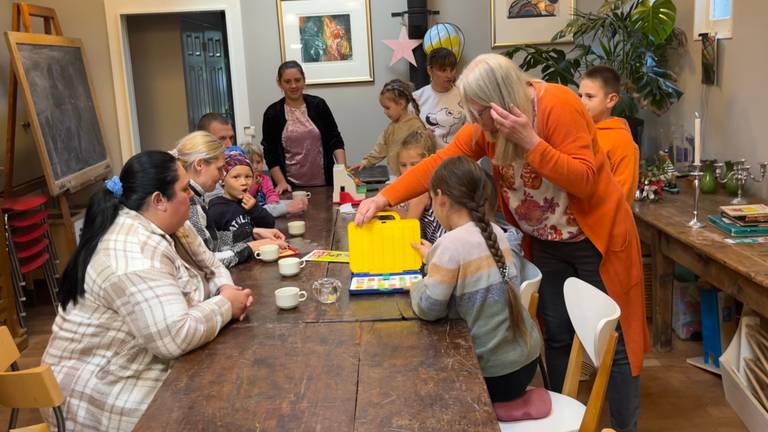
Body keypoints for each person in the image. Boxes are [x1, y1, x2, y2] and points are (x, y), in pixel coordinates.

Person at [355, 53, 648, 432]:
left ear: (502, 100)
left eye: (479, 113)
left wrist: (530, 142)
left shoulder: (557, 104)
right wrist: (384, 197)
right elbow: (443, 161)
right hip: (546, 240)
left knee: (616, 341)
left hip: (596, 238)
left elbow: (586, 180)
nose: (475, 123)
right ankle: (567, 416)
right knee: (557, 336)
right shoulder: (487, 125)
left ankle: (626, 427)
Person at [41, 151, 254, 431]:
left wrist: (225, 287)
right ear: (158, 200)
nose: (191, 194)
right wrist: (226, 304)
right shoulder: (132, 252)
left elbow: (211, 264)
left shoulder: (169, 224)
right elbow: (174, 336)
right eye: (183, 188)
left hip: (135, 368)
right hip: (100, 391)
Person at [410, 156, 541, 403]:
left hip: (491, 376)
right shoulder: (496, 234)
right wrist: (433, 260)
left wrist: (416, 286)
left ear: (440, 198)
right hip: (525, 365)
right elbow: (501, 278)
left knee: (425, 387)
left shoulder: (449, 245)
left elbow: (429, 307)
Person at [174, 132, 286, 268]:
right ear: (200, 165)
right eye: (220, 169)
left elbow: (213, 240)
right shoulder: (189, 200)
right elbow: (206, 261)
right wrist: (250, 248)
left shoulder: (198, 196)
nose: (222, 176)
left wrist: (252, 233)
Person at [262, 60, 347, 194]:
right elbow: (270, 153)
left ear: (304, 80)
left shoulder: (319, 105)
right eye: (287, 81)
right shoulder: (272, 113)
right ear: (280, 83)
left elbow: (335, 140)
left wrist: (343, 174)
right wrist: (281, 182)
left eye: (297, 80)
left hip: (326, 184)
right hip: (290, 188)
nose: (293, 85)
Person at [578, 65, 640, 204]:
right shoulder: (579, 130)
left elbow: (622, 197)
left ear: (611, 100)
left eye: (589, 96)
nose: (581, 102)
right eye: (580, 95)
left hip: (602, 220)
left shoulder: (621, 141)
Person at [351, 79, 427, 176]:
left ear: (401, 104)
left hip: (413, 176)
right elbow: (380, 147)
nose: (385, 112)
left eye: (387, 108)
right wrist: (366, 162)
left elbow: (423, 154)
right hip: (395, 177)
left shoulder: (416, 125)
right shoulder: (391, 127)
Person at [207, 151, 280, 240]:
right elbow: (214, 241)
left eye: (248, 177)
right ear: (222, 180)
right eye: (236, 177)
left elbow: (269, 225)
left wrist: (255, 208)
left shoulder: (250, 202)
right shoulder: (216, 208)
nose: (244, 182)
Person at [392, 130, 444, 244]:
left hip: (440, 250)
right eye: (403, 165)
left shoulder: (422, 191)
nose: (408, 171)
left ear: (429, 162)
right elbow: (409, 214)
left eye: (414, 164)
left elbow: (409, 225)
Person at [413, 47, 467, 147]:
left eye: (452, 69)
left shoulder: (464, 95)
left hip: (459, 158)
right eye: (443, 70)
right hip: (430, 158)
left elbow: (473, 132)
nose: (449, 75)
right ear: (430, 70)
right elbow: (409, 136)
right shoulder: (416, 98)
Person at [241, 143, 308, 217]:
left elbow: (270, 192)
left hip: (268, 206)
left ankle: (299, 204)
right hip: (254, 210)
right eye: (251, 163)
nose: (255, 166)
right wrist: (255, 185)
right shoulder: (243, 181)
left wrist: (273, 201)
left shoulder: (265, 179)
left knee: (287, 202)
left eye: (258, 162)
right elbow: (247, 197)